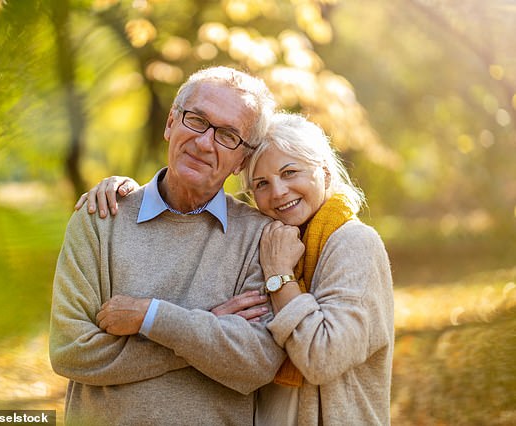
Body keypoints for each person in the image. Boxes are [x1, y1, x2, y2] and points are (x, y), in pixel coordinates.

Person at [79, 112, 395, 425]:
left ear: (324, 173)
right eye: (262, 184)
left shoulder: (353, 243)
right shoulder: (271, 239)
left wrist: (280, 276)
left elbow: (322, 358)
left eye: (289, 172)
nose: (278, 192)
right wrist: (130, 195)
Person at [49, 66, 286, 425]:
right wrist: (207, 327)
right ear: (170, 123)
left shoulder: (260, 237)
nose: (205, 142)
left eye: (227, 136)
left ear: (242, 159)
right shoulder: (100, 217)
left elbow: (257, 364)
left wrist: (151, 317)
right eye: (197, 121)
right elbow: (70, 352)